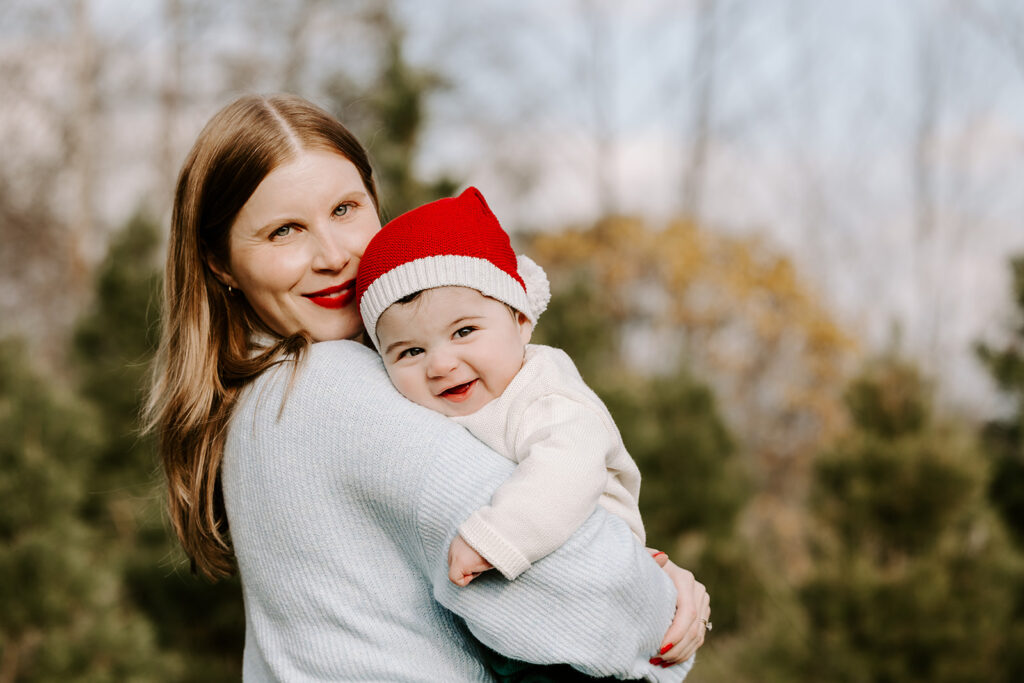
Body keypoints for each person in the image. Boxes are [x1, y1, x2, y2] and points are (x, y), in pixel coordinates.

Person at [146, 93, 710, 682]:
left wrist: (641, 562)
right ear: (219, 263)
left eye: (345, 209)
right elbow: (580, 590)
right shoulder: (332, 389)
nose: (334, 256)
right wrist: (667, 602)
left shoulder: (263, 397)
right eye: (285, 231)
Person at [356, 187, 651, 593]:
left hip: (596, 578)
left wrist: (497, 537)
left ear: (521, 320)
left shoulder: (544, 394)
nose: (440, 364)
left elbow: (569, 466)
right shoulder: (419, 411)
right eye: (410, 351)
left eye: (464, 331)